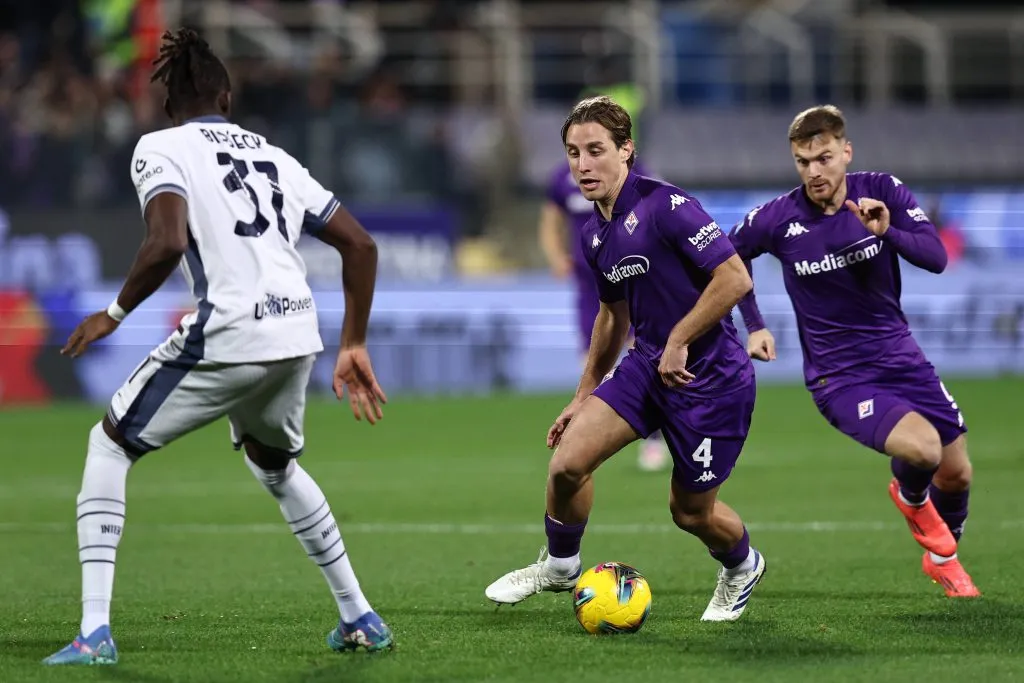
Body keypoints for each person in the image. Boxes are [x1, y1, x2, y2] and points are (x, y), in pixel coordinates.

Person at [44, 29, 394, 666]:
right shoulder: (276, 156)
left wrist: (114, 313)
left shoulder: (161, 147)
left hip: (229, 331)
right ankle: (360, 616)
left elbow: (168, 240)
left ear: (168, 104)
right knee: (275, 465)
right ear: (227, 98)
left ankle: (94, 633)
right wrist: (355, 342)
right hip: (296, 334)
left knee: (109, 443)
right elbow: (361, 245)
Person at [487, 96, 766, 622]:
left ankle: (742, 565)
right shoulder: (593, 232)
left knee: (690, 513)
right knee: (567, 464)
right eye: (573, 152)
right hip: (646, 367)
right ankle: (562, 565)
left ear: (626, 150)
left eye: (595, 151)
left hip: (710, 380)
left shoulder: (667, 206)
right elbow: (611, 317)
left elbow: (734, 278)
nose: (582, 165)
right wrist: (583, 393)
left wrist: (682, 336)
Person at [729, 104, 979, 598]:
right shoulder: (778, 218)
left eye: (823, 158)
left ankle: (940, 554)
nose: (814, 171)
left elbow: (936, 257)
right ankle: (918, 510)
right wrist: (754, 325)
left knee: (957, 473)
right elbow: (728, 256)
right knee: (923, 449)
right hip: (839, 377)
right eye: (803, 162)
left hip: (901, 357)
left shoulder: (882, 191)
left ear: (846, 152)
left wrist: (886, 231)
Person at [540, 161, 670, 472]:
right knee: (592, 362)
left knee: (645, 355)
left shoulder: (638, 172)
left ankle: (654, 439)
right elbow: (550, 220)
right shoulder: (562, 178)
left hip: (634, 277)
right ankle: (596, 439)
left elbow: (660, 213)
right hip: (590, 287)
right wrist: (556, 256)